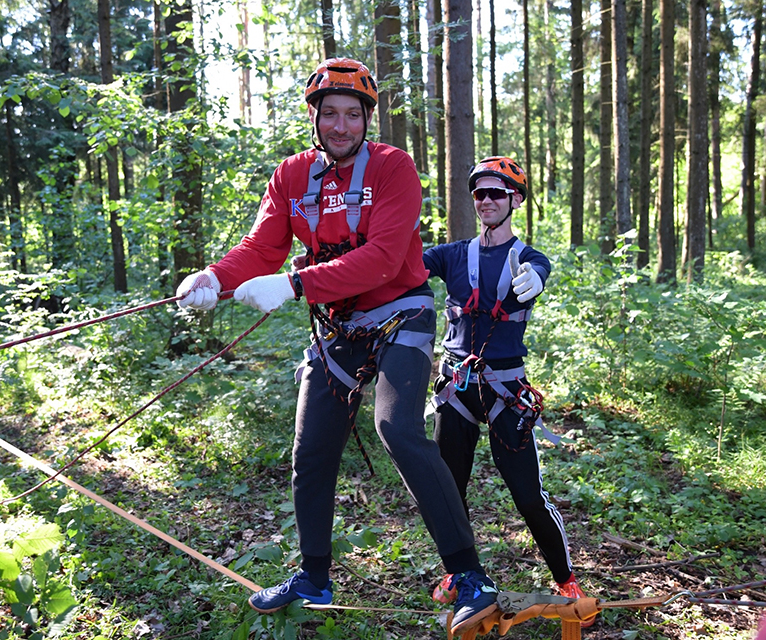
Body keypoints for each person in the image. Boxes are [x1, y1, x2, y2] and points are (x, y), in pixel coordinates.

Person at [175, 58, 498, 635]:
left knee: (397, 428)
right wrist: (212, 279)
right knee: (311, 451)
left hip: (402, 313)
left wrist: (295, 284)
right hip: (337, 328)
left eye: (353, 114)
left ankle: (471, 577)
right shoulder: (292, 176)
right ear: (315, 118)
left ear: (366, 119)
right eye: (331, 114)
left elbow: (381, 256)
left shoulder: (395, 168)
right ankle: (314, 575)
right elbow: (260, 248)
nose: (341, 125)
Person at [422, 156, 594, 628]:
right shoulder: (452, 255)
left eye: (497, 193)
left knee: (527, 494)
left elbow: (543, 266)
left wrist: (538, 276)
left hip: (505, 390)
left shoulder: (527, 258)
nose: (487, 201)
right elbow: (401, 264)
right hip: (456, 387)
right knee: (448, 489)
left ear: (515, 200)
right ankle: (461, 575)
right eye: (480, 194)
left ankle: (566, 580)